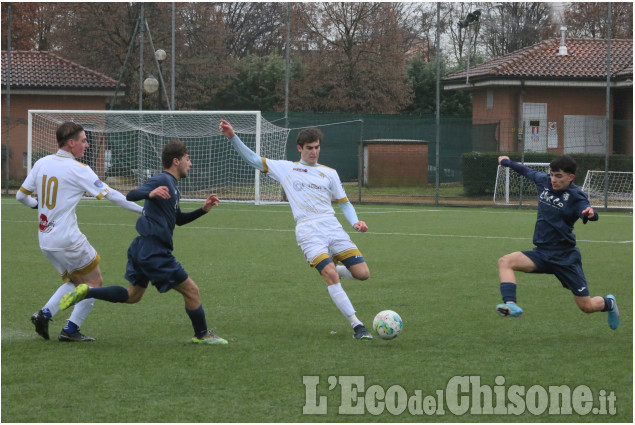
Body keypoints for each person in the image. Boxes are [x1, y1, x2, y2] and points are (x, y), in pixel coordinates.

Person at [59, 139, 228, 344]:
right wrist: (150, 192)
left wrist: (203, 210)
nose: (190, 163)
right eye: (187, 159)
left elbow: (178, 220)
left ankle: (88, 291)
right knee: (192, 291)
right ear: (176, 161)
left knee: (133, 295)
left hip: (142, 248)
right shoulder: (162, 180)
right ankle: (202, 335)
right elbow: (131, 195)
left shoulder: (172, 186)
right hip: (154, 251)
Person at [219, 119, 373, 340]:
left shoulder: (330, 173)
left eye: (317, 147)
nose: (314, 152)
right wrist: (233, 137)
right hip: (308, 230)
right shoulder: (286, 168)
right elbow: (253, 159)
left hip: (332, 227)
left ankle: (334, 268)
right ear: (300, 148)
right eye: (309, 148)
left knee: (363, 274)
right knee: (329, 274)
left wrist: (355, 222)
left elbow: (344, 202)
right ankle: (357, 325)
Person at [16, 121, 144, 342]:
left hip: (46, 240)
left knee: (76, 283)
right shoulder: (78, 169)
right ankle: (70, 330)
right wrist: (142, 211)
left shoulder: (42, 162)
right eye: (84, 141)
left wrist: (38, 206)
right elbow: (111, 194)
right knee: (94, 284)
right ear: (71, 142)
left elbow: (21, 196)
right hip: (68, 240)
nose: (87, 145)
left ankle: (44, 315)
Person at [496, 155, 619, 330]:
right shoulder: (544, 181)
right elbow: (525, 170)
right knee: (505, 261)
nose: (554, 179)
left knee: (587, 306)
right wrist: (506, 162)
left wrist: (591, 214)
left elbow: (588, 209)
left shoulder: (576, 196)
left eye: (559, 176)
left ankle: (609, 303)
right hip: (541, 253)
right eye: (552, 174)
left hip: (565, 258)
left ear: (570, 177)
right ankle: (511, 305)